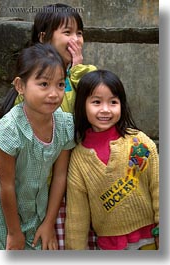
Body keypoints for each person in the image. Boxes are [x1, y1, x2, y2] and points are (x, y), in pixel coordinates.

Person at [0, 3, 97, 250]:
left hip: (52, 197)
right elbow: (6, 184)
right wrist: (14, 232)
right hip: (17, 203)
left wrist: (77, 67)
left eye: (79, 33)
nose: (75, 39)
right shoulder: (15, 121)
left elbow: (86, 112)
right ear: (43, 37)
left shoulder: (66, 117)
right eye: (67, 32)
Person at [65, 69, 159, 250]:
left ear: (122, 105)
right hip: (108, 247)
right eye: (96, 102)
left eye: (113, 102)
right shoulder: (78, 157)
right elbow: (77, 215)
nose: (105, 109)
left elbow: (159, 188)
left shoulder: (139, 142)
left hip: (148, 239)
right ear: (82, 105)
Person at [0, 43, 75, 250]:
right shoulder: (10, 128)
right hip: (4, 213)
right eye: (43, 84)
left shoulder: (65, 124)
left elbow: (60, 176)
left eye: (60, 84)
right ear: (20, 86)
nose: (54, 93)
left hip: (39, 211)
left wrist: (49, 223)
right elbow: (6, 184)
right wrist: (13, 232)